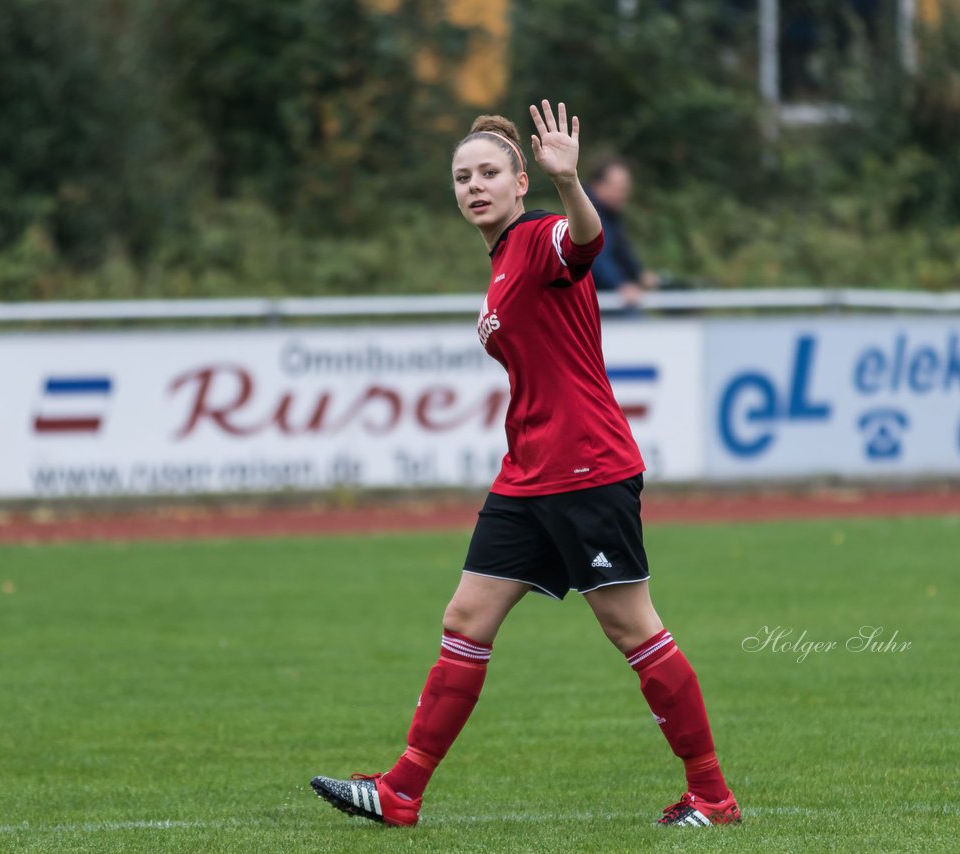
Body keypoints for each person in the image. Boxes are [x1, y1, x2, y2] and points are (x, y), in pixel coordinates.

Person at [309, 100, 740, 829]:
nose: (473, 185)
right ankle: (401, 790)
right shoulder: (503, 258)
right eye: (461, 176)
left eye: (487, 173)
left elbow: (587, 241)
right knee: (466, 617)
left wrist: (571, 184)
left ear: (518, 182)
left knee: (632, 629)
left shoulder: (540, 235)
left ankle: (712, 796)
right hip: (528, 472)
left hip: (585, 468)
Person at [586, 154, 660, 316]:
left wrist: (638, 273)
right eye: (619, 188)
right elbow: (595, 256)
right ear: (599, 186)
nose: (624, 194)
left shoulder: (610, 215)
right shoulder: (588, 215)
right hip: (596, 304)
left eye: (626, 188)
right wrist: (620, 285)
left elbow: (621, 252)